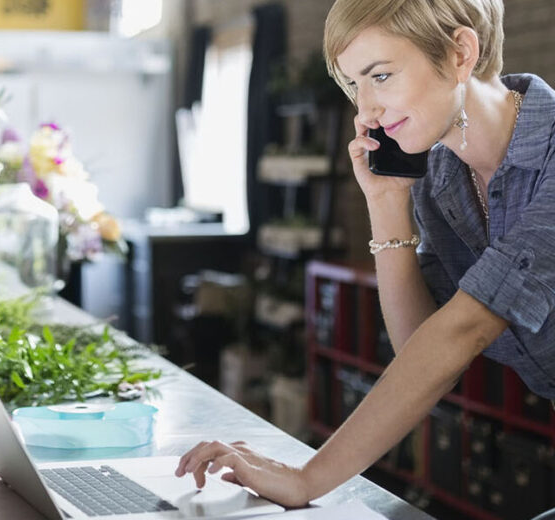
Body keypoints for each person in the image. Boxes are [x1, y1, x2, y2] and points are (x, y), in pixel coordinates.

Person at [175, 0, 555, 508]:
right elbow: (421, 348)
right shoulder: (440, 177)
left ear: (461, 52)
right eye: (356, 85)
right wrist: (386, 202)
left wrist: (307, 478)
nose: (366, 111)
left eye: (381, 75)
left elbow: (464, 330)